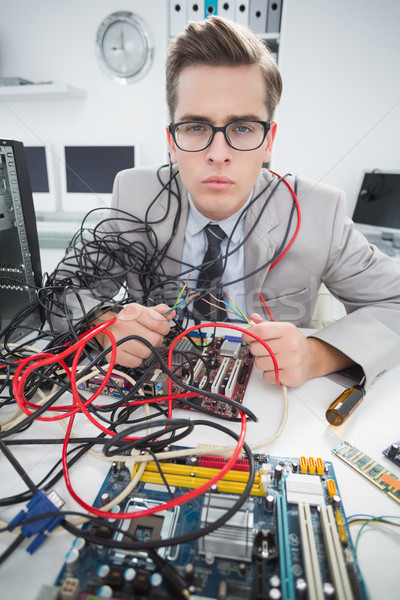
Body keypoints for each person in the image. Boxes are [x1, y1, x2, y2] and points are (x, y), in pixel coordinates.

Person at [48, 15, 400, 390]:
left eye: (243, 128)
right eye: (196, 127)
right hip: (150, 401)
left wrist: (317, 354)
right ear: (171, 139)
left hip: (268, 403)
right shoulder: (136, 195)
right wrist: (104, 326)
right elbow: (61, 290)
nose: (218, 154)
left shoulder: (318, 211)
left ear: (268, 141)